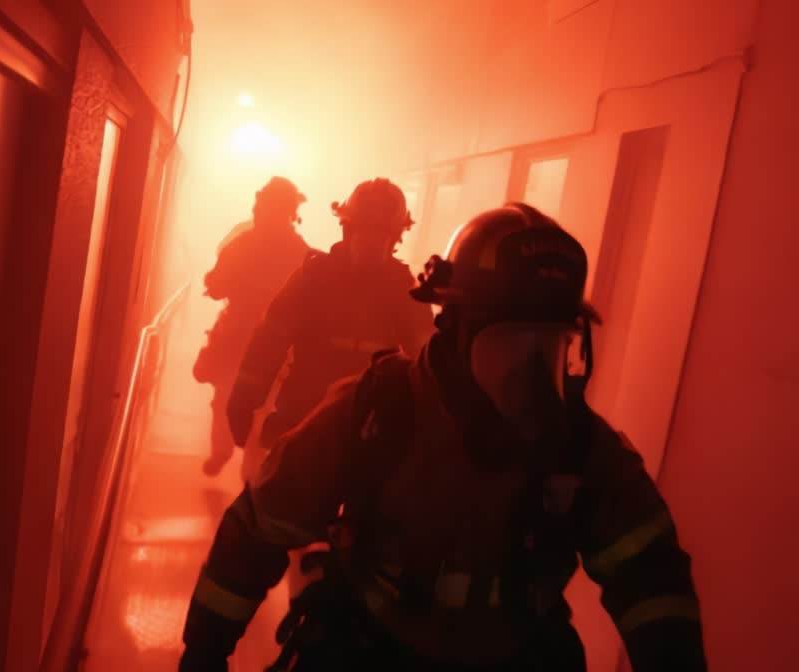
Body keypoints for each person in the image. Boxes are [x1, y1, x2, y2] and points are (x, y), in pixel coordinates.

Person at [179, 203, 707, 672]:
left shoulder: (577, 446)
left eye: (550, 350)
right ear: (455, 331)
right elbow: (255, 531)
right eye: (509, 347)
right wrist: (203, 652)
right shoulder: (376, 413)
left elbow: (652, 576)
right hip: (370, 648)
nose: (529, 377)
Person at [225, 177, 434, 462]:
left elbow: (427, 358)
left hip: (370, 420)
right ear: (348, 230)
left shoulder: (403, 288)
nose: (372, 243)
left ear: (396, 237)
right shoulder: (314, 278)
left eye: (381, 233)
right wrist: (244, 399)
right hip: (305, 415)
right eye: (365, 231)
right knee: (287, 499)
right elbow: (270, 340)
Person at [193, 176, 310, 477]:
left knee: (226, 397)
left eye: (262, 205)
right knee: (264, 406)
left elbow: (217, 286)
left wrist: (218, 282)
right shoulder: (301, 251)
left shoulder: (244, 243)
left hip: (242, 335)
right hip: (278, 344)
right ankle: (252, 469)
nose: (258, 211)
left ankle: (224, 451)